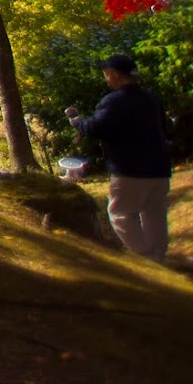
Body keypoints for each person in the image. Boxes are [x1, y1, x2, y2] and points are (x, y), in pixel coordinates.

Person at [65, 52, 173, 261]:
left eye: (106, 73)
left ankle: (146, 258)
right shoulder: (150, 98)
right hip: (159, 166)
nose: (106, 78)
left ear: (114, 75)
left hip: (130, 168)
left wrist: (78, 122)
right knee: (155, 213)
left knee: (120, 214)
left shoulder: (115, 101)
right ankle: (160, 257)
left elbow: (98, 127)